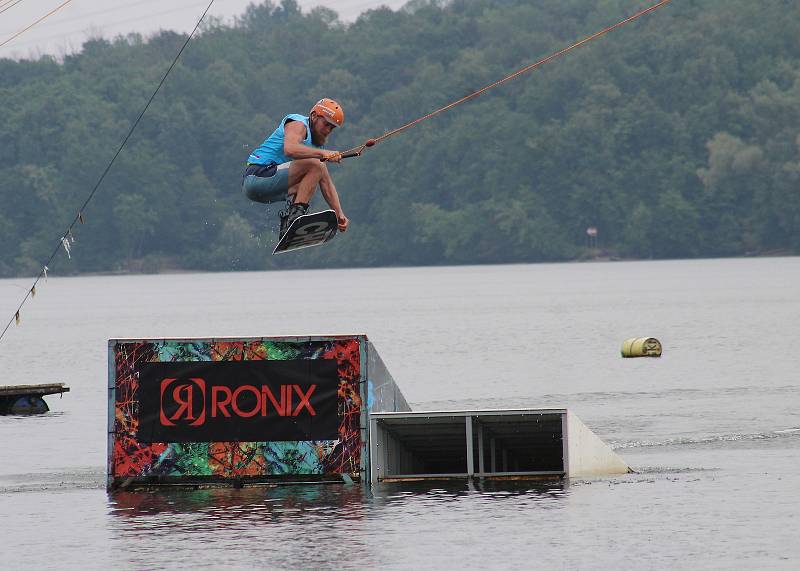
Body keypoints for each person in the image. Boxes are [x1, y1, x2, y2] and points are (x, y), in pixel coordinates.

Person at [243, 98, 350, 238]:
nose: (328, 130)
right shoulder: (298, 123)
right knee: (316, 165)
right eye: (326, 124)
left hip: (265, 190)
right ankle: (294, 220)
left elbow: (326, 182)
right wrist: (323, 153)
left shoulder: (316, 148)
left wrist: (339, 214)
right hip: (258, 175)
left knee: (317, 171)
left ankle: (289, 225)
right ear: (314, 116)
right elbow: (290, 149)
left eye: (332, 128)